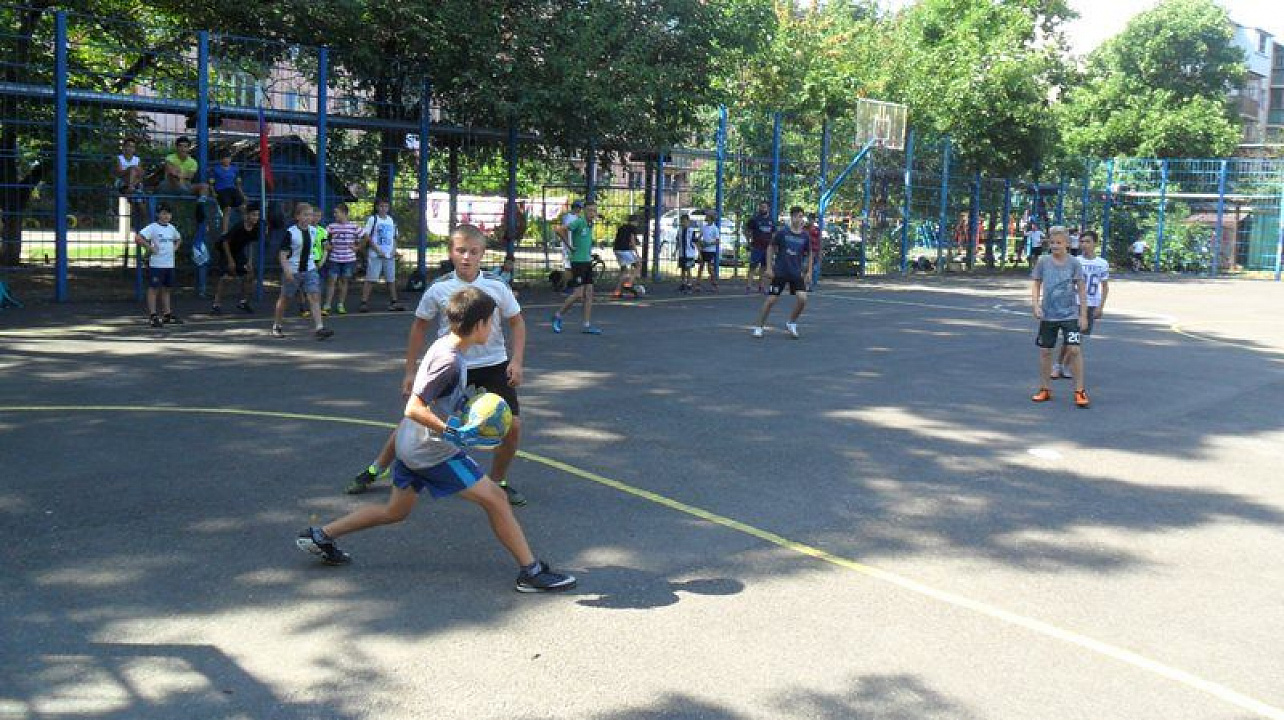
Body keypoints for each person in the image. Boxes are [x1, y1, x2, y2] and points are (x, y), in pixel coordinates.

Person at [296, 286, 576, 593]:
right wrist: (452, 431)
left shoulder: (449, 345)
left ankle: (320, 535)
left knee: (395, 511)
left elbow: (432, 400)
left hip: (410, 444)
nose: (494, 329)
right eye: (491, 322)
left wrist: (468, 410)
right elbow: (413, 407)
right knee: (496, 498)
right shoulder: (449, 361)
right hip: (432, 452)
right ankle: (531, 572)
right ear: (480, 324)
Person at [348, 224, 531, 506]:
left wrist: (517, 361)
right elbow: (419, 328)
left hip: (492, 364)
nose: (467, 257)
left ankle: (498, 481)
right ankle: (376, 468)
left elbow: (517, 324)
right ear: (451, 252)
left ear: (483, 254)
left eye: (473, 251)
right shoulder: (440, 288)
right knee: (414, 419)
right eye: (461, 251)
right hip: (452, 364)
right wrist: (410, 370)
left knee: (513, 426)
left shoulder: (497, 286)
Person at [1030, 226, 1089, 408]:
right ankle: (1045, 388)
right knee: (1046, 351)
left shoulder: (1074, 263)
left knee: (1074, 350)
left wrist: (1083, 315)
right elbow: (1036, 284)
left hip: (1070, 315)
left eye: (1059, 243)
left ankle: (1079, 391)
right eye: (1053, 242)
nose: (1055, 246)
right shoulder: (1043, 261)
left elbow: (1081, 289)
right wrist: (1036, 305)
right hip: (1048, 315)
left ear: (1067, 244)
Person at [271, 202, 333, 340]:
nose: (309, 217)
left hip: (310, 269)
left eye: (310, 215)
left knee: (314, 296)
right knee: (285, 299)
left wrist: (322, 259)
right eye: (305, 215)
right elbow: (282, 254)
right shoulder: (290, 233)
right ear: (297, 216)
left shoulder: (314, 231)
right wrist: (287, 271)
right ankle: (277, 325)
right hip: (293, 270)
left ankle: (319, 328)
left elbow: (322, 247)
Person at [751, 206, 813, 339]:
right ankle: (759, 327)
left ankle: (791, 323)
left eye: (802, 216)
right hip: (781, 272)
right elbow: (770, 248)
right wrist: (768, 267)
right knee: (771, 300)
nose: (800, 219)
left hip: (796, 273)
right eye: (798, 216)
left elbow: (810, 254)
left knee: (803, 299)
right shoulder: (782, 233)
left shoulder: (805, 236)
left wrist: (809, 272)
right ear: (792, 218)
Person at [1056, 229, 1107, 379]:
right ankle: (1059, 365)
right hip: (1074, 303)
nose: (1084, 245)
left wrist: (1100, 306)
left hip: (1091, 304)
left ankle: (1064, 365)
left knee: (1078, 338)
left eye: (1087, 242)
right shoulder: (1075, 261)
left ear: (1095, 243)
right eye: (1082, 242)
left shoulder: (1102, 263)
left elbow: (1104, 287)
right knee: (1071, 337)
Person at [551, 200, 602, 334]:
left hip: (586, 261)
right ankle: (558, 315)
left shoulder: (590, 223)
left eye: (594, 211)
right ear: (584, 211)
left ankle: (586, 325)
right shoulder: (578, 222)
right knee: (579, 294)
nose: (593, 213)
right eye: (590, 210)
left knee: (589, 294)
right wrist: (569, 246)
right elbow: (560, 230)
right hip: (577, 262)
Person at [135, 203, 183, 328]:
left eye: (168, 213)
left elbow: (178, 238)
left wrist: (175, 247)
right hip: (157, 265)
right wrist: (150, 247)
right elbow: (138, 238)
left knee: (167, 289)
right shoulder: (153, 227)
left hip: (169, 264)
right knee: (154, 289)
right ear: (158, 214)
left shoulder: (172, 228)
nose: (166, 215)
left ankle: (167, 314)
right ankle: (153, 315)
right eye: (163, 213)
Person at [211, 202, 260, 315]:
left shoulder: (256, 227)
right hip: (226, 250)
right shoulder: (239, 227)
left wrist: (250, 261)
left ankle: (243, 302)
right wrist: (230, 260)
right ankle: (216, 305)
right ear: (247, 215)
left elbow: (250, 244)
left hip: (238, 251)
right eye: (253, 215)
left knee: (250, 275)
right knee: (226, 278)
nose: (255, 217)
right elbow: (225, 242)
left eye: (257, 215)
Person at [360, 198, 405, 312]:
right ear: (377, 207)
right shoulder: (373, 219)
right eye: (381, 206)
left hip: (389, 254)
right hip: (376, 254)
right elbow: (367, 236)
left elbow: (394, 237)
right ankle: (364, 302)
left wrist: (393, 250)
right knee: (371, 278)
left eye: (386, 206)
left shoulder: (390, 220)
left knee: (391, 279)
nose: (383, 209)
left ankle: (394, 301)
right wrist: (377, 250)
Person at [323, 202, 360, 315]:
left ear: (344, 213)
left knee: (344, 281)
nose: (335, 215)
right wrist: (326, 245)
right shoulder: (331, 226)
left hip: (348, 259)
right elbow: (322, 237)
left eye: (337, 212)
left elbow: (365, 237)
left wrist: (357, 247)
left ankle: (341, 304)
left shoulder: (354, 226)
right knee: (332, 280)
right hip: (335, 259)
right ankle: (327, 305)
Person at [209, 150, 244, 236]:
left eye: (228, 158)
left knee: (243, 207)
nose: (227, 160)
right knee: (227, 209)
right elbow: (211, 183)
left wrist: (242, 194)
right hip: (221, 190)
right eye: (225, 158)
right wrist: (213, 192)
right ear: (221, 159)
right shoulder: (216, 169)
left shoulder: (234, 169)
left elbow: (238, 183)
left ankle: (244, 228)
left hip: (233, 190)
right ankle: (225, 231)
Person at [744, 201, 774, 294]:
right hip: (757, 247)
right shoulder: (755, 219)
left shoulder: (771, 220)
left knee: (764, 267)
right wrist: (749, 241)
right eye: (761, 207)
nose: (762, 209)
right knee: (753, 267)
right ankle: (748, 287)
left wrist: (773, 246)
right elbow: (746, 230)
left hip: (767, 248)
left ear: (768, 208)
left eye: (764, 207)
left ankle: (761, 287)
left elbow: (774, 234)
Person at [611, 214, 641, 298]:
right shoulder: (632, 228)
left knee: (624, 272)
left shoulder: (622, 227)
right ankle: (629, 283)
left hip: (617, 250)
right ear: (635, 222)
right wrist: (637, 254)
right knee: (638, 264)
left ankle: (617, 292)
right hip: (624, 250)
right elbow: (632, 242)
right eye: (637, 222)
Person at [694, 211, 720, 292]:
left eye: (707, 216)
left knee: (709, 268)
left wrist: (708, 244)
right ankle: (697, 285)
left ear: (711, 218)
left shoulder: (715, 228)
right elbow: (699, 237)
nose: (706, 217)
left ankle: (714, 284)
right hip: (703, 250)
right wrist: (699, 242)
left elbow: (717, 241)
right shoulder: (704, 227)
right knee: (701, 266)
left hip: (710, 250)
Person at [677, 213, 699, 293]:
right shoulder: (679, 231)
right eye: (682, 222)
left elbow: (696, 242)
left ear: (688, 222)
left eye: (685, 222)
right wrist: (675, 251)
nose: (683, 223)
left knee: (688, 269)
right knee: (682, 269)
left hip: (689, 253)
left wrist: (699, 252)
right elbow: (678, 242)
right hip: (682, 253)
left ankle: (689, 284)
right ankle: (683, 283)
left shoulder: (691, 231)